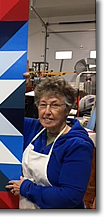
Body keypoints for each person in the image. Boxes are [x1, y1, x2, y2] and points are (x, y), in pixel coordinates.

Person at [6, 76, 94, 209]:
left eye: (55, 105)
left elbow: (69, 197)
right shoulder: (34, 129)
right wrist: (15, 79)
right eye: (43, 105)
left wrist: (26, 188)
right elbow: (5, 114)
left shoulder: (78, 145)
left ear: (67, 110)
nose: (47, 112)